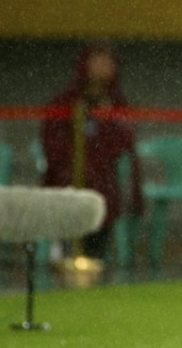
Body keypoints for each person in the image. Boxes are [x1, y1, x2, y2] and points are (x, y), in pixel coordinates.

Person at [40, 43, 143, 261]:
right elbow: (52, 139)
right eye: (96, 61)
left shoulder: (117, 104)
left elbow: (125, 143)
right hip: (68, 175)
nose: (101, 68)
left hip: (104, 178)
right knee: (69, 188)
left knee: (104, 193)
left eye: (107, 62)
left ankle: (95, 255)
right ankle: (64, 250)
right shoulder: (66, 102)